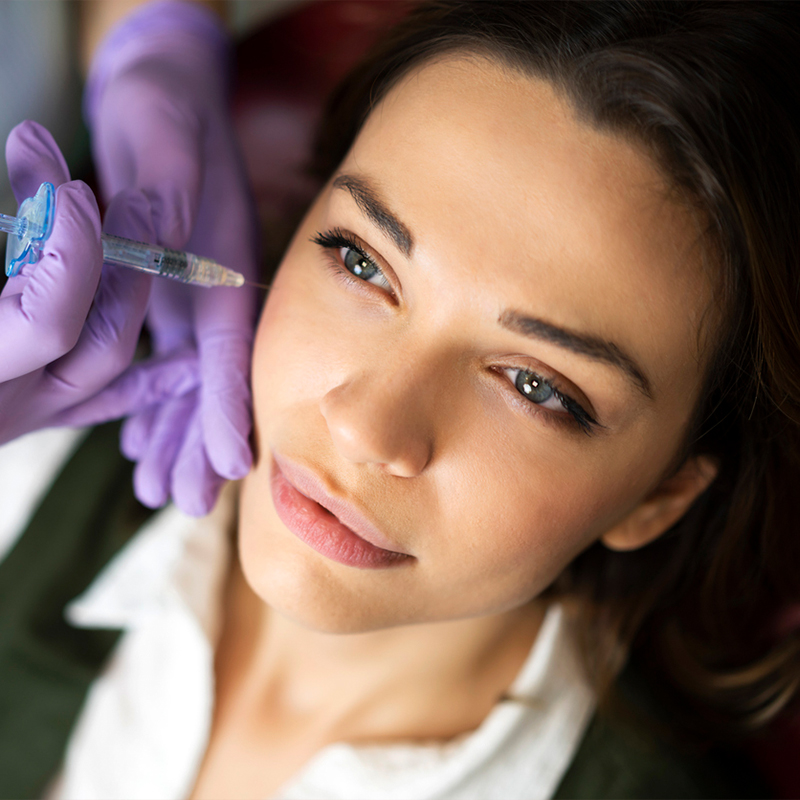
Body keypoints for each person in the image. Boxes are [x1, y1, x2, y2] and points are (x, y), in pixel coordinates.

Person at [1, 1, 799, 797]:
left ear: (660, 494)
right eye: (361, 262)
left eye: (535, 386)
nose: (364, 425)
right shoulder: (35, 467)